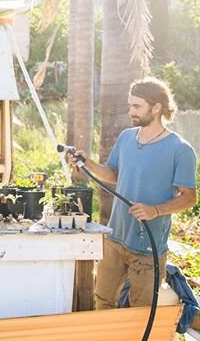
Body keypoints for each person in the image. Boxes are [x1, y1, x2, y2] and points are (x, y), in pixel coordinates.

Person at [67, 77, 197, 309]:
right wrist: (87, 163)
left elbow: (189, 197)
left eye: (136, 106)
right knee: (103, 301)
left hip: (149, 247)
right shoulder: (127, 138)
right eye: (130, 106)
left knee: (142, 311)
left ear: (157, 107)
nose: (131, 111)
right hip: (115, 239)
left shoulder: (180, 150)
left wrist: (156, 210)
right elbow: (114, 175)